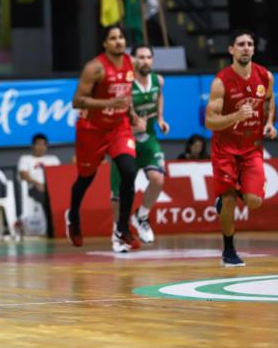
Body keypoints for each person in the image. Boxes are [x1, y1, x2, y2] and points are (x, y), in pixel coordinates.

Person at [65, 24, 142, 253]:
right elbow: (77, 101)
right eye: (113, 38)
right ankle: (74, 217)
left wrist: (132, 114)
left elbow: (125, 96)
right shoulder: (95, 68)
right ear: (105, 44)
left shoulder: (132, 64)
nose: (118, 41)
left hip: (119, 127)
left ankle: (122, 228)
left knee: (129, 171)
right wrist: (109, 104)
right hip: (92, 129)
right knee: (85, 179)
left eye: (121, 37)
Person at [205, 29, 276, 267]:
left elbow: (268, 100)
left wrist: (268, 123)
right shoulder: (220, 81)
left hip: (252, 147)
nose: (246, 47)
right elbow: (209, 121)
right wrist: (236, 115)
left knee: (254, 201)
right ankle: (228, 251)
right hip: (225, 148)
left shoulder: (265, 76)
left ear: (253, 49)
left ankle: (231, 189)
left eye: (249, 44)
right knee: (228, 202)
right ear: (231, 50)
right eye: (240, 44)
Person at [109, 44, 170, 244]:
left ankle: (141, 216)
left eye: (148, 57)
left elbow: (159, 95)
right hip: (125, 142)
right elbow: (114, 118)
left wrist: (160, 119)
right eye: (141, 57)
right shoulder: (123, 84)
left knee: (158, 179)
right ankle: (118, 230)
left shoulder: (157, 80)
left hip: (148, 139)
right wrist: (133, 127)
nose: (145, 61)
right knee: (118, 195)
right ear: (132, 60)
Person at [17, 133, 60, 230]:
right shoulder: (25, 159)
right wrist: (37, 184)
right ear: (32, 146)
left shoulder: (53, 159)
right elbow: (23, 175)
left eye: (43, 144)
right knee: (46, 197)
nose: (41, 147)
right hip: (34, 188)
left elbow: (59, 175)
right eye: (38, 144)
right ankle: (50, 226)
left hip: (52, 188)